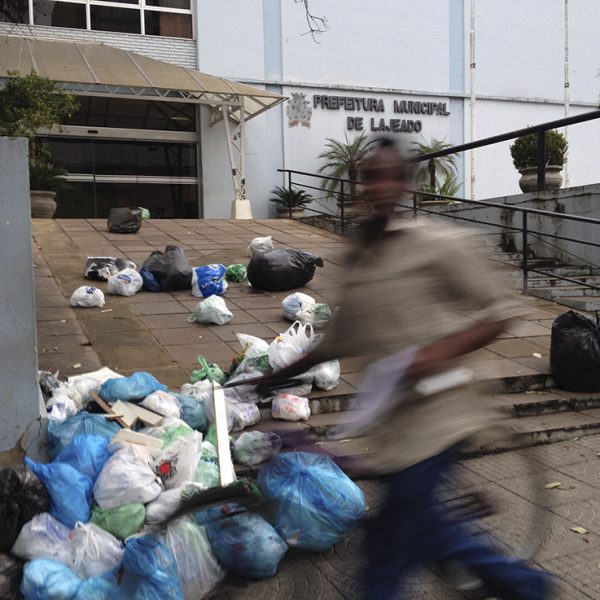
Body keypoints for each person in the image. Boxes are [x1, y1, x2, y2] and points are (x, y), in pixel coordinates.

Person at [247, 137, 553, 599]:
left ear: (407, 183)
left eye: (392, 176)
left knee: (390, 555)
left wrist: (438, 353)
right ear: (360, 183)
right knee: (418, 533)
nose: (381, 186)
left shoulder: (437, 245)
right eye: (372, 176)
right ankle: (524, 585)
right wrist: (269, 377)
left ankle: (526, 586)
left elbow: (501, 311)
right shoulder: (357, 257)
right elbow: (342, 336)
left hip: (441, 417)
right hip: (393, 425)